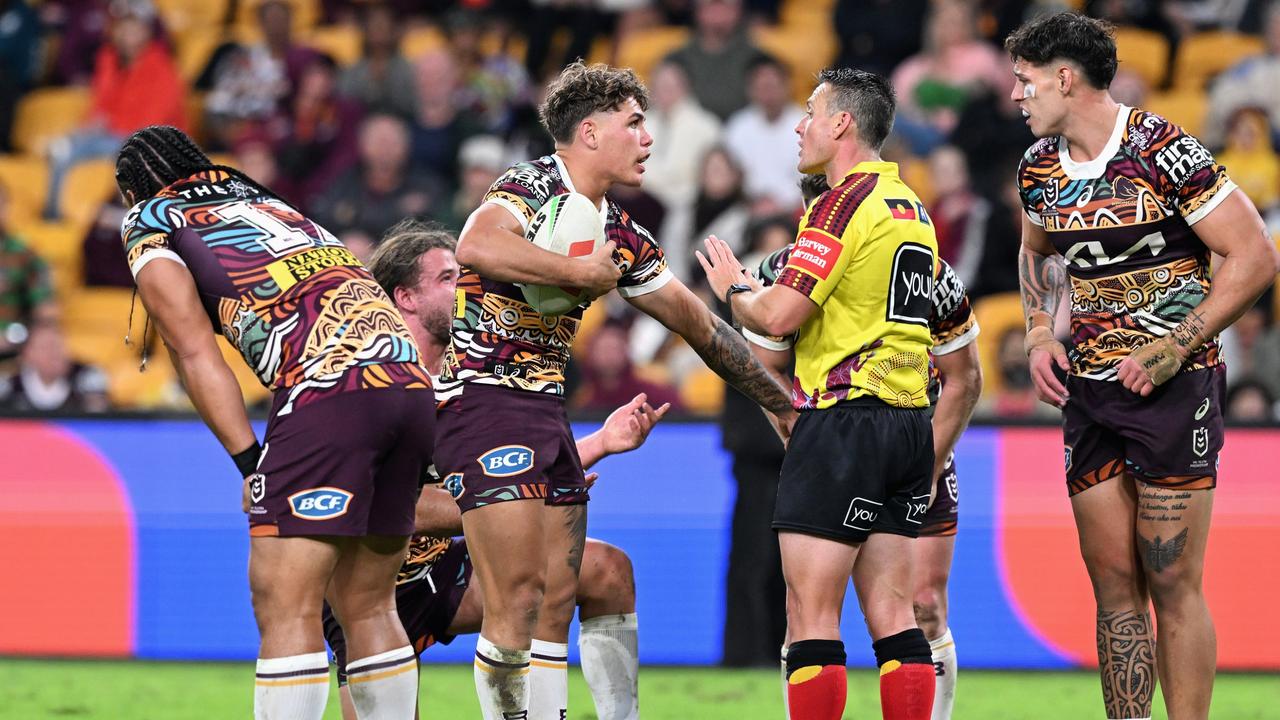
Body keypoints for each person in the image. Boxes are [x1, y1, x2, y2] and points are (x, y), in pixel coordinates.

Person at [439, 61, 794, 720]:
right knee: (514, 597)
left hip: (546, 409)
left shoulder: (622, 233)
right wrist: (580, 271)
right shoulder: (532, 183)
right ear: (591, 131)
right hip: (482, 403)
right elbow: (477, 242)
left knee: (553, 598)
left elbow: (697, 324)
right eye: (635, 124)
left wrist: (779, 402)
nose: (648, 140)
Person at [1006, 13, 1280, 720]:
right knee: (1113, 586)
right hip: (1090, 392)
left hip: (1174, 386)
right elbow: (1037, 250)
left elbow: (1253, 256)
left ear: (1065, 78)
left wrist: (1175, 344)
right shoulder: (1037, 168)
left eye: (1025, 80)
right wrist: (1040, 332)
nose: (1015, 95)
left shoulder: (1162, 149)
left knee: (1172, 582)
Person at [116, 125, 435, 720]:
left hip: (330, 386)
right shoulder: (263, 198)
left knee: (285, 601)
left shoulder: (150, 218)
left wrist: (248, 461)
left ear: (133, 191)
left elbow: (193, 351)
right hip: (410, 380)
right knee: (368, 604)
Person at [320, 219, 666, 720]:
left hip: (445, 569)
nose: (465, 289)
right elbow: (375, 503)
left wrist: (601, 444)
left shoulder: (477, 374)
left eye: (463, 275)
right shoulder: (368, 384)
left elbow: (508, 475)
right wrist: (506, 513)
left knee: (606, 571)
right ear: (405, 298)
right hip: (368, 591)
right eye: (447, 279)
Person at [698, 68, 939, 720]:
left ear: (842, 124)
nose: (800, 125)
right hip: (909, 424)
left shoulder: (839, 203)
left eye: (811, 112)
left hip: (845, 423)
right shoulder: (911, 209)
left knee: (810, 611)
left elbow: (776, 321)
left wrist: (734, 289)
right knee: (892, 611)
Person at [750, 174, 983, 719]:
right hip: (842, 438)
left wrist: (935, 457)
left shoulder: (933, 276)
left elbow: (966, 379)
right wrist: (793, 423)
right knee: (812, 606)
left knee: (917, 606)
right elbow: (764, 364)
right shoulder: (786, 269)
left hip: (906, 440)